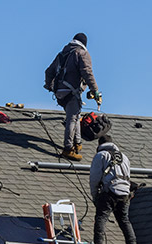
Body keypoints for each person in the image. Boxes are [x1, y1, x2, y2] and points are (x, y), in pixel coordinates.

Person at [44, 33, 102, 161]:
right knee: (72, 118)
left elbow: (49, 71)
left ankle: (77, 143)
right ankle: (68, 149)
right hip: (71, 91)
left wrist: (49, 85)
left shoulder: (62, 54)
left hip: (59, 93)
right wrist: (95, 90)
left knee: (76, 116)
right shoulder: (81, 53)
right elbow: (87, 72)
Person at [89, 135, 138, 244]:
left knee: (101, 217)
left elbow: (94, 178)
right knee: (124, 220)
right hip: (125, 193)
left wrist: (95, 196)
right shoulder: (124, 157)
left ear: (99, 145)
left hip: (110, 191)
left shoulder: (102, 155)